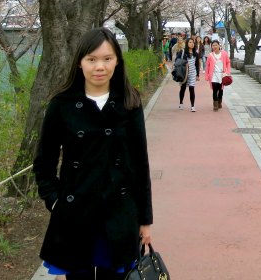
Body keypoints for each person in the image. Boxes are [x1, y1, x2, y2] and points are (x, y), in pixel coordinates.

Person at [33, 27, 152, 280]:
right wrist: (55, 201)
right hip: (76, 217)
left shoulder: (129, 102)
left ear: (117, 61)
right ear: (80, 63)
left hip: (119, 214)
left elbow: (140, 165)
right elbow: (44, 162)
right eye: (92, 59)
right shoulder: (62, 104)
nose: (100, 67)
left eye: (107, 59)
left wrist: (145, 219)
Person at [204, 39, 232, 112]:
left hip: (222, 75)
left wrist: (228, 71)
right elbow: (207, 66)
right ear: (211, 47)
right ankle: (215, 105)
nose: (214, 46)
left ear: (219, 45)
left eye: (216, 45)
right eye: (213, 45)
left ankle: (219, 102)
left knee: (220, 90)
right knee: (215, 90)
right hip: (213, 75)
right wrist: (206, 75)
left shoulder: (224, 54)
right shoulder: (210, 55)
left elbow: (228, 62)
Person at [176, 37, 200, 111]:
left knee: (192, 88)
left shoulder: (196, 53)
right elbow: (177, 60)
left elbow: (197, 65)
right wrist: (184, 63)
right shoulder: (183, 52)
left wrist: (197, 75)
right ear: (187, 43)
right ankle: (181, 103)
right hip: (184, 73)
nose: (191, 44)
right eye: (190, 42)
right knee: (183, 88)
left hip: (192, 73)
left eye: (192, 42)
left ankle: (192, 106)